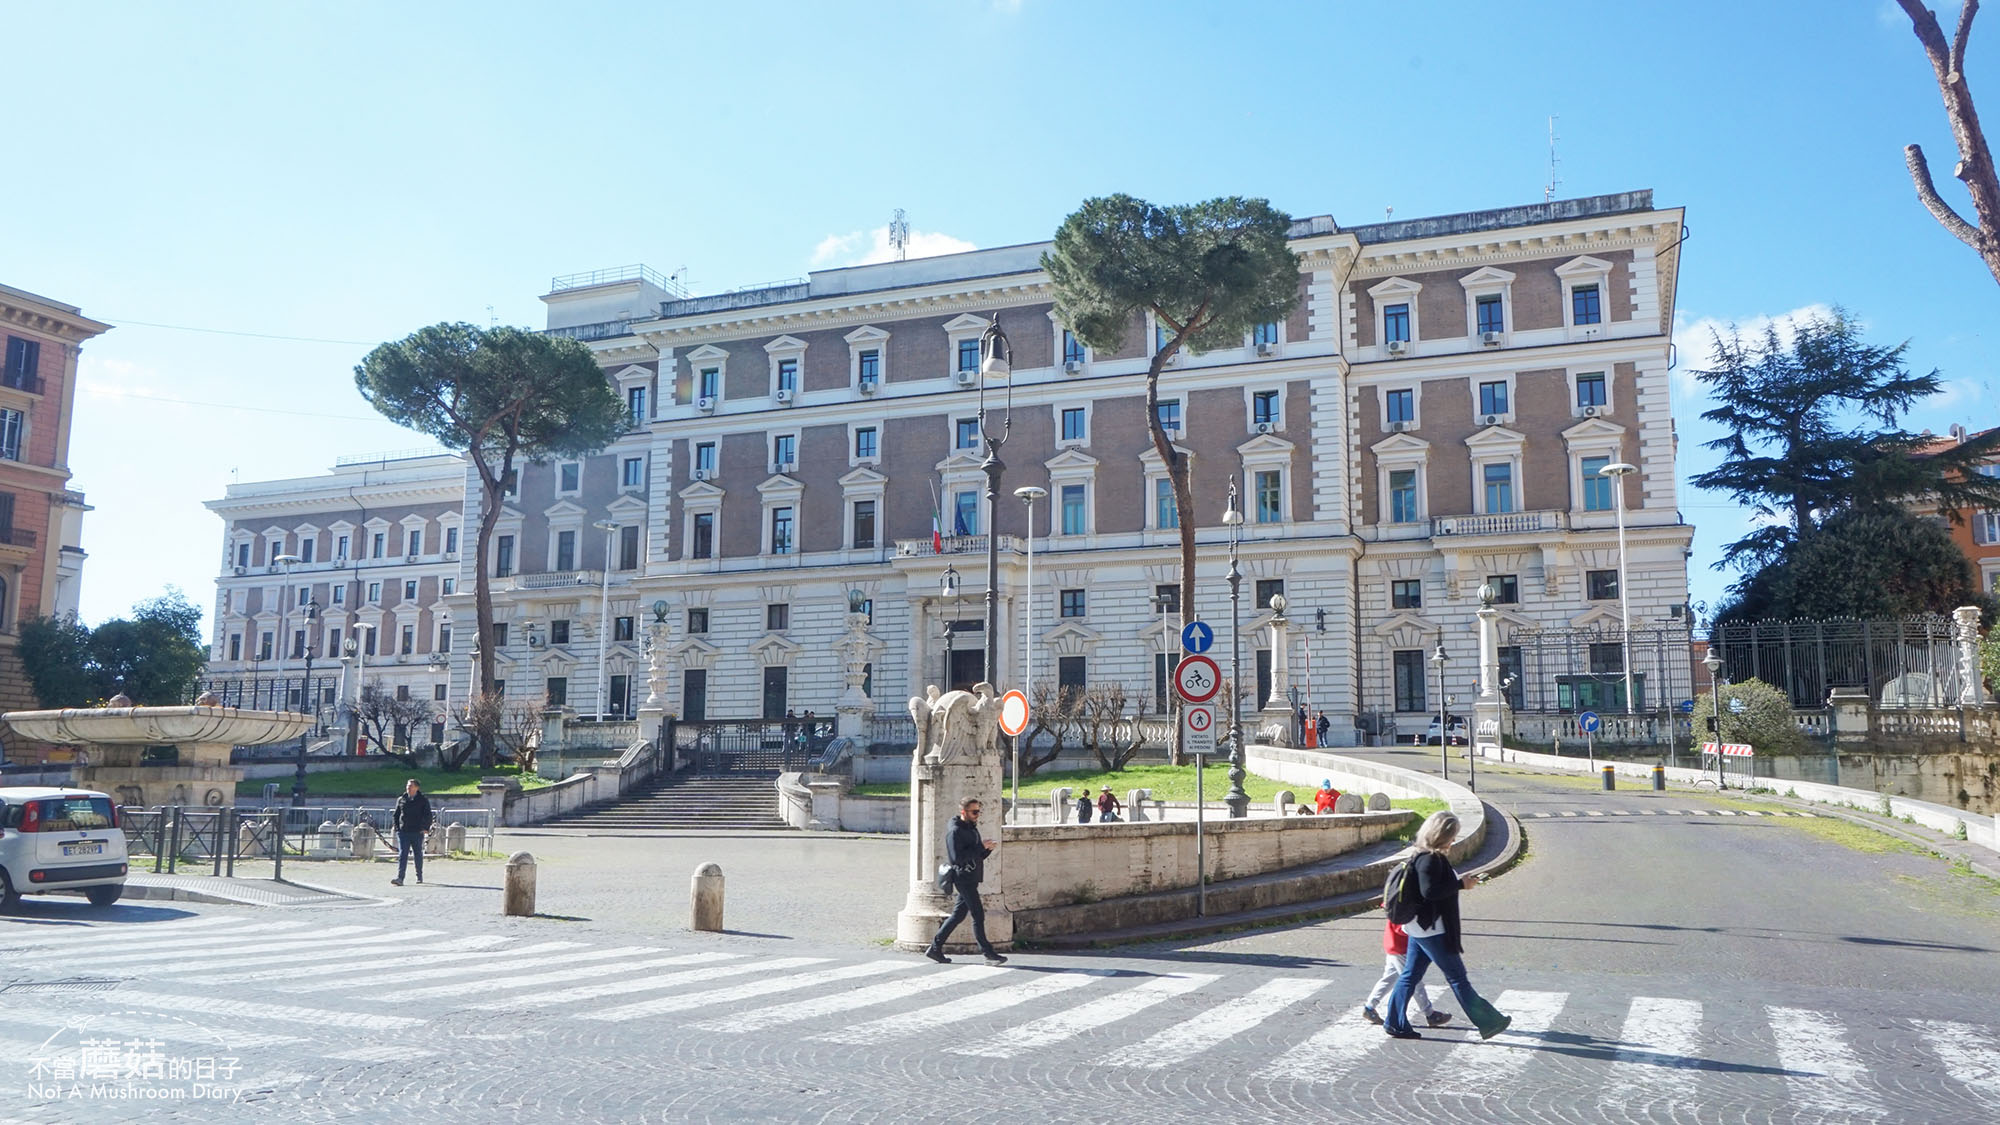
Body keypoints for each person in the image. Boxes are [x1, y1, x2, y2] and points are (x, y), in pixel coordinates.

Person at [1382, 811, 1511, 1041]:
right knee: (1457, 977)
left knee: (1410, 976)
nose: (1454, 841)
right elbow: (1430, 892)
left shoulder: (1423, 855)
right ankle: (1489, 1022)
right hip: (1433, 930)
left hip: (1420, 929)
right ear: (1441, 835)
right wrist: (1461, 884)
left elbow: (1433, 888)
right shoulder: (1430, 859)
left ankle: (1394, 1023)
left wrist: (1459, 883)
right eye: (1452, 836)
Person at [924, 797, 1008, 965]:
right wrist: (980, 847)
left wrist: (987, 850)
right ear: (964, 812)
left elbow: (976, 855)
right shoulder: (955, 831)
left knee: (958, 915)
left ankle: (935, 948)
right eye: (974, 812)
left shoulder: (971, 828)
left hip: (972, 877)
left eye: (978, 811)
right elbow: (957, 859)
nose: (977, 815)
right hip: (963, 879)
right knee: (978, 914)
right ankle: (988, 953)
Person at [1362, 917, 1453, 1029]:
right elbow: (1401, 928)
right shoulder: (1401, 906)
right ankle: (1430, 1014)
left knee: (1389, 979)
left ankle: (1369, 1007)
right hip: (1401, 947)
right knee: (1414, 981)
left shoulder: (1396, 903)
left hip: (1394, 945)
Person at [389, 778, 434, 887]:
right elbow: (396, 814)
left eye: (411, 786)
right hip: (404, 831)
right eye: (407, 786)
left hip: (417, 831)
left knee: (417, 854)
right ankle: (400, 878)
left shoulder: (422, 800)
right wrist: (397, 828)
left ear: (416, 788)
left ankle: (419, 875)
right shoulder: (402, 799)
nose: (408, 788)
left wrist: (425, 828)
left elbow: (428, 815)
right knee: (402, 854)